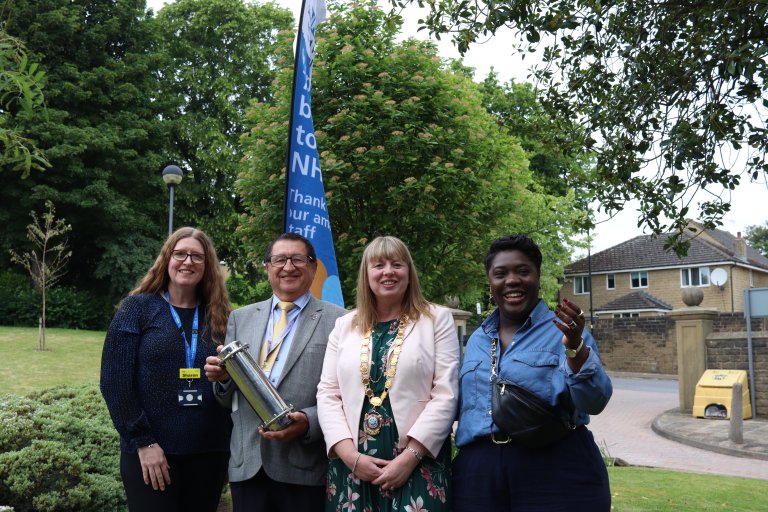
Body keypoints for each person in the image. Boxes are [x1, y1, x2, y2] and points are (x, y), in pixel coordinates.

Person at [452, 234, 613, 511]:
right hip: (478, 473)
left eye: (523, 271)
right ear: (490, 283)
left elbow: (595, 401)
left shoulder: (565, 331)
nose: (512, 280)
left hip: (553, 465)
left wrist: (575, 349)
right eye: (500, 273)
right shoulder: (477, 338)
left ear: (538, 277)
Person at [204, 232, 346, 512]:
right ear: (267, 267)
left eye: (297, 259)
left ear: (313, 267)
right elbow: (226, 399)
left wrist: (309, 421)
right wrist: (222, 381)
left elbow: (346, 393)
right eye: (279, 259)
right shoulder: (240, 318)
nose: (288, 267)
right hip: (249, 464)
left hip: (304, 465)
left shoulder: (339, 320)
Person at [317, 236, 460, 512]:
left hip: (419, 463)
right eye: (378, 265)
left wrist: (409, 458)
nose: (388, 271)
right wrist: (350, 456)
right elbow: (328, 393)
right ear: (366, 274)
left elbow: (446, 393)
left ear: (409, 272)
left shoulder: (436, 320)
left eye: (397, 264)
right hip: (352, 467)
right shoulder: (344, 326)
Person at [100, 227, 232, 512]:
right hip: (152, 453)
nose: (188, 262)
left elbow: (234, 387)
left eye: (197, 256)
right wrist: (144, 442)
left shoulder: (222, 317)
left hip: (210, 452)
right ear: (166, 259)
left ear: (207, 266)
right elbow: (115, 384)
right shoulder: (136, 309)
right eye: (180, 253)